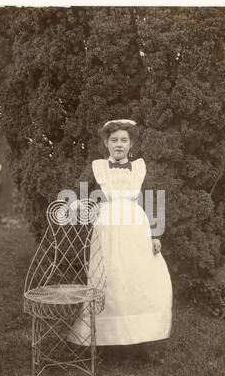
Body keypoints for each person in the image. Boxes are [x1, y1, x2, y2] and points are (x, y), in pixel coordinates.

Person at [66, 119, 173, 362]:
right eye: (114, 140)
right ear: (106, 143)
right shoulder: (97, 167)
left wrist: (155, 235)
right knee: (108, 281)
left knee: (141, 281)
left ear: (131, 144)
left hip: (137, 230)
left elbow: (151, 199)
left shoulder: (139, 168)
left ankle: (142, 343)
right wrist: (76, 202)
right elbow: (78, 190)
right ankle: (103, 342)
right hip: (108, 231)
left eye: (124, 140)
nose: (119, 144)